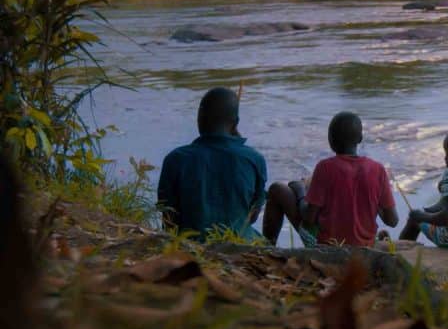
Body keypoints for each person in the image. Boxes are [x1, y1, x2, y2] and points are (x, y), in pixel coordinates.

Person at [262, 111, 398, 247]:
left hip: (327, 247)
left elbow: (309, 218)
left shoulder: (325, 167)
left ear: (330, 140)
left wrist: (300, 192)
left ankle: (268, 247)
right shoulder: (378, 169)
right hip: (365, 248)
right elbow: (393, 221)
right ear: (360, 138)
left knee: (277, 189)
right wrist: (374, 202)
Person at [157, 87, 267, 240]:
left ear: (199, 118)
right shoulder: (254, 159)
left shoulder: (175, 159)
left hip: (189, 245)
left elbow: (168, 218)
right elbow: (252, 216)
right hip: (242, 244)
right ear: (235, 123)